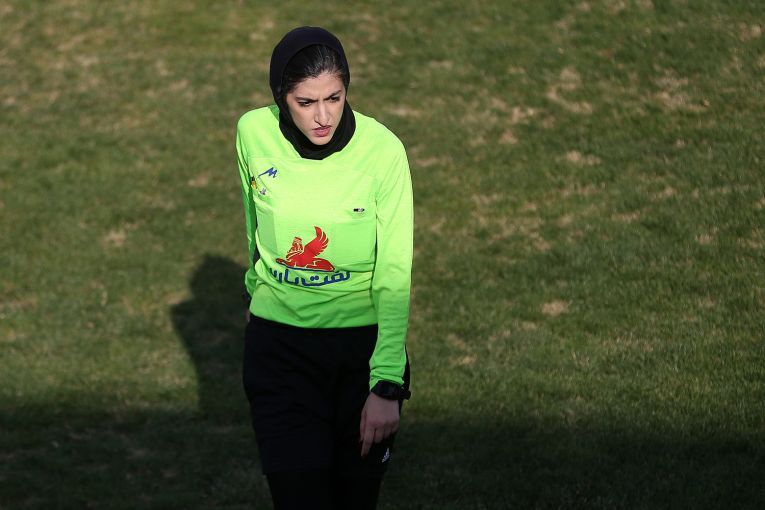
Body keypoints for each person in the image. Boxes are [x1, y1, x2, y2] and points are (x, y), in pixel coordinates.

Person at [236, 26, 413, 510]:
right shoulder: (252, 132)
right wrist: (254, 290)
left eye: (334, 98)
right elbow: (253, 222)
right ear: (281, 97)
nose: (322, 116)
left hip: (359, 356)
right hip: (280, 354)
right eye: (306, 102)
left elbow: (394, 272)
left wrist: (387, 384)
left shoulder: (384, 152)